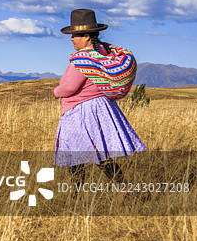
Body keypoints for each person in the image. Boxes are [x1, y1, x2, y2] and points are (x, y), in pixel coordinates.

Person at [53, 9, 146, 184]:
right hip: (99, 109)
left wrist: (56, 92)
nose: (72, 39)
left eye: (75, 35)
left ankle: (77, 194)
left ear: (87, 36)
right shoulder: (104, 53)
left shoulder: (84, 59)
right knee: (101, 155)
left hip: (80, 112)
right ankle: (123, 189)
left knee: (74, 155)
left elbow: (70, 87)